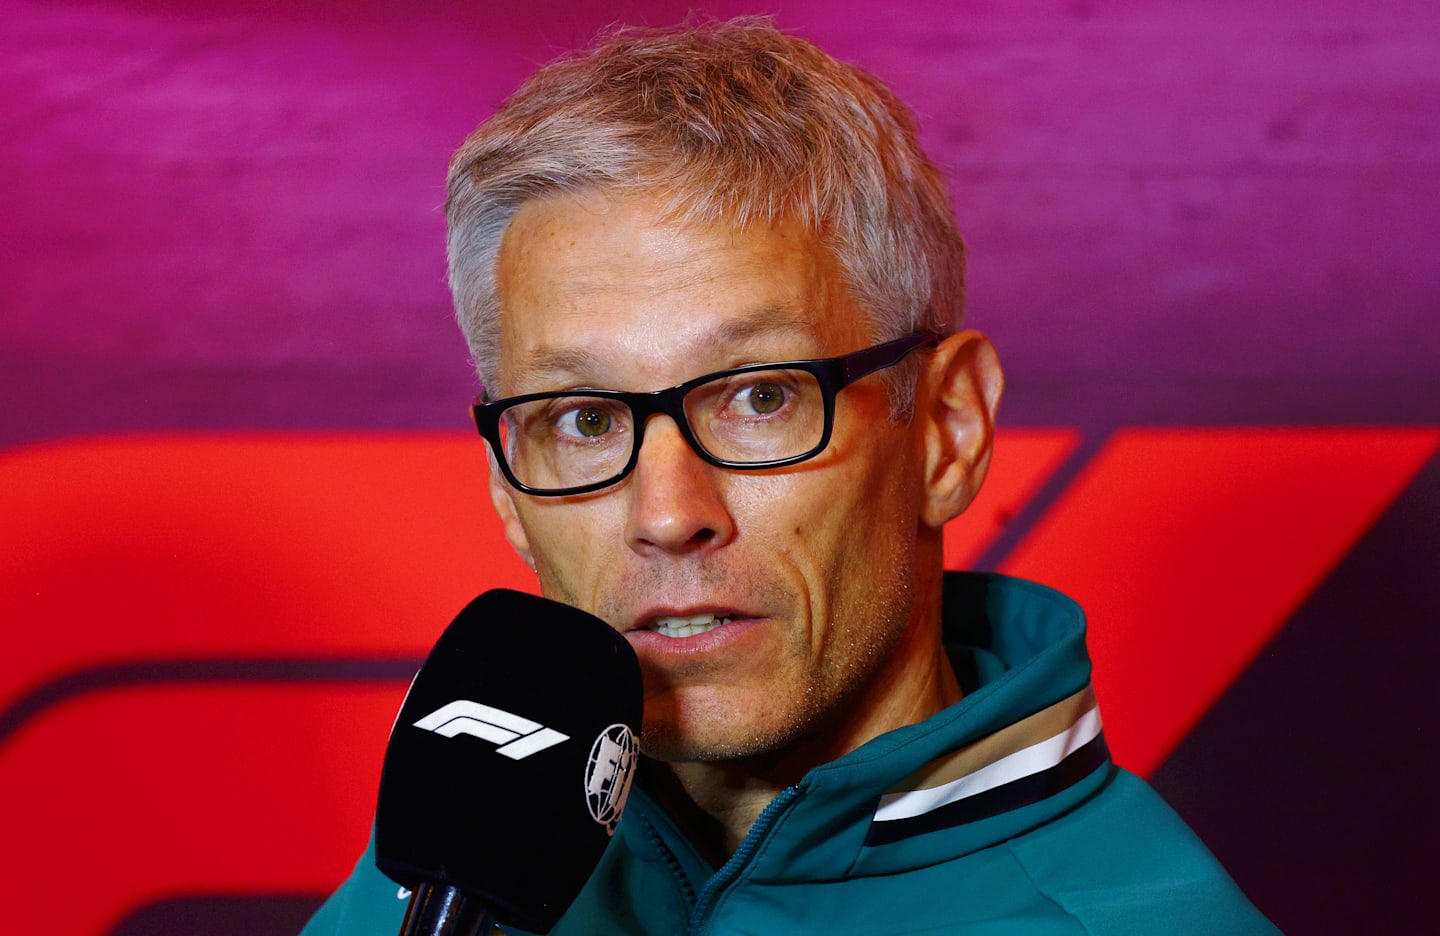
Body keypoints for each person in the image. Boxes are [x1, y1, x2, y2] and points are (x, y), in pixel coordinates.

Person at [304, 18, 1276, 934]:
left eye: (760, 398)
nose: (670, 513)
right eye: (586, 419)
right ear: (506, 491)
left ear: (946, 429)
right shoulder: (426, 893)